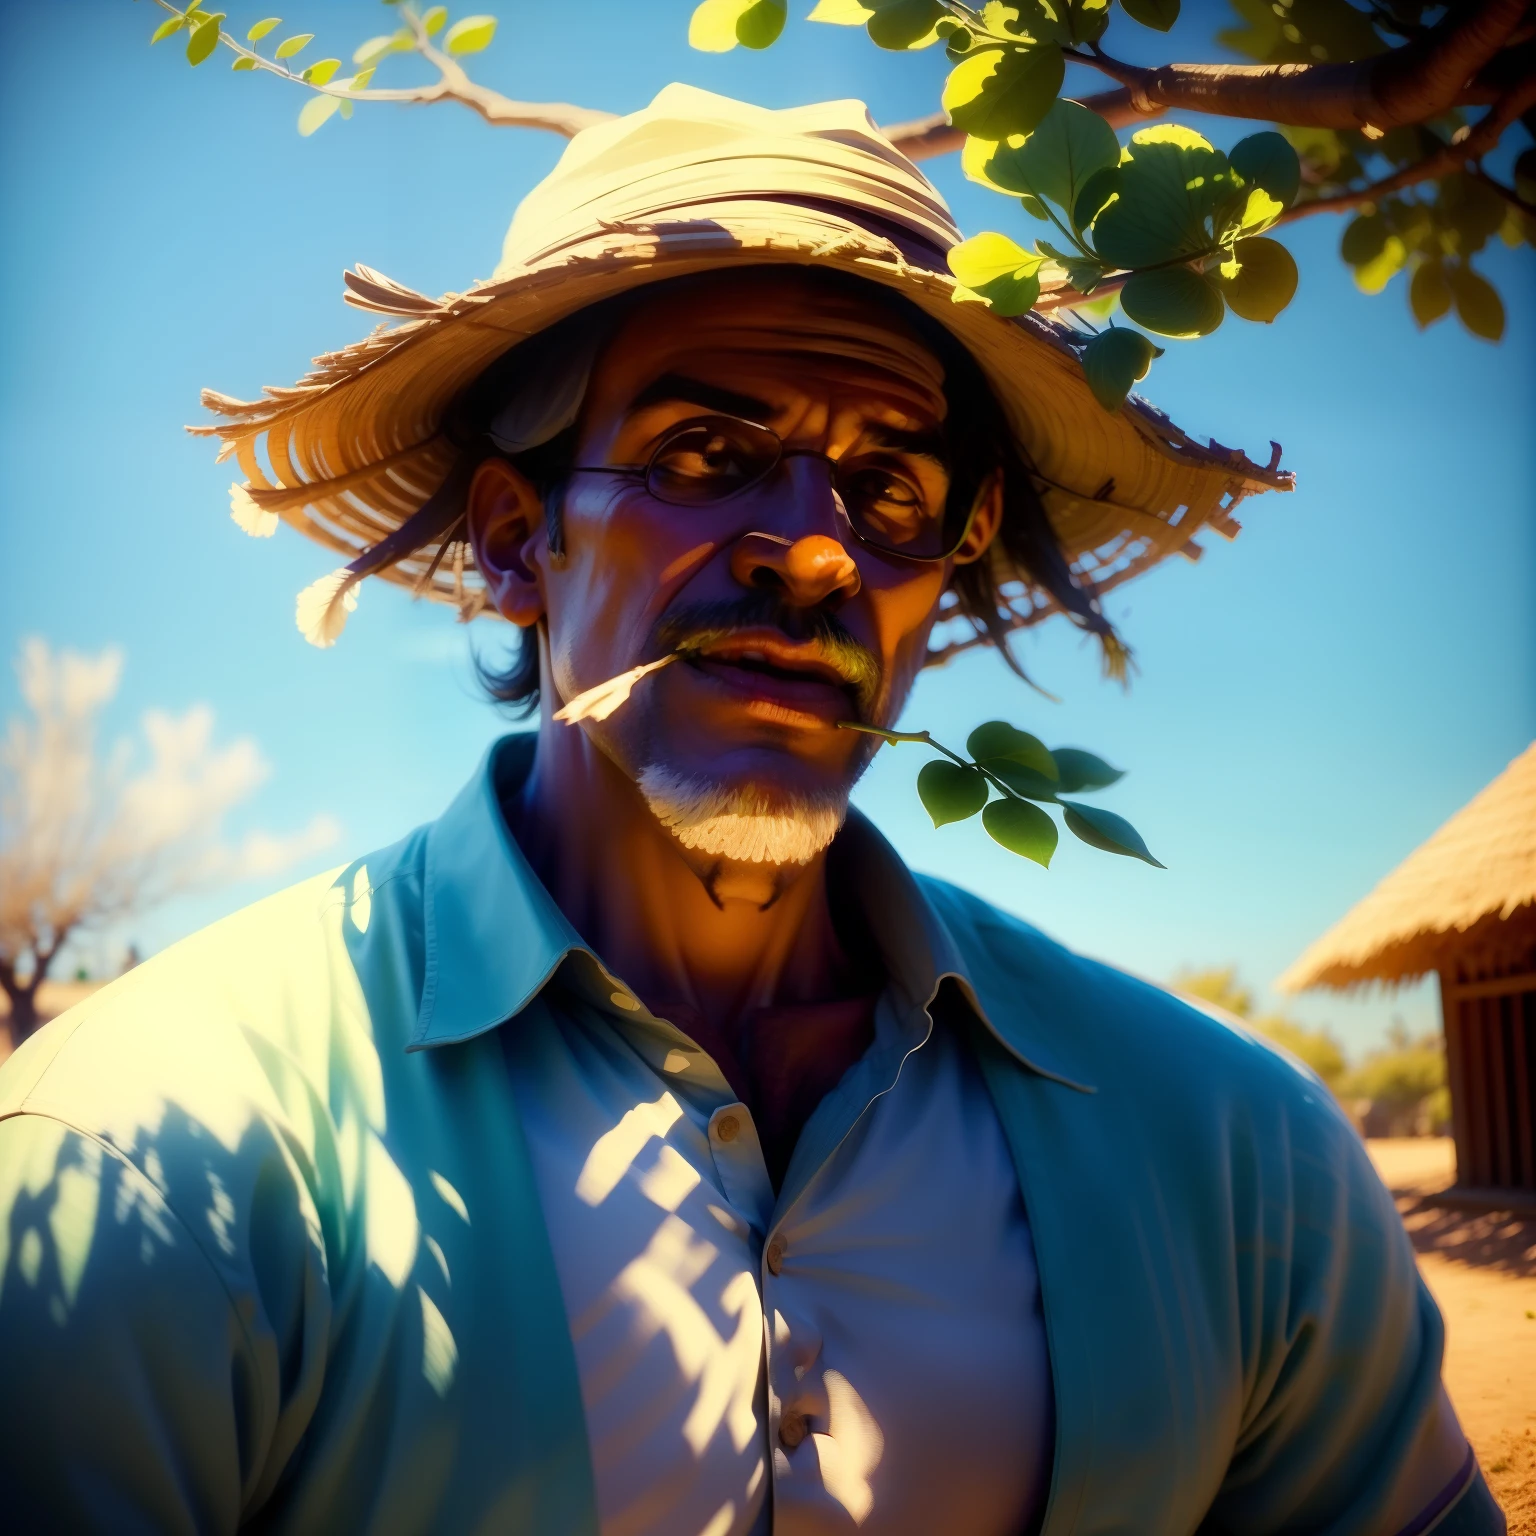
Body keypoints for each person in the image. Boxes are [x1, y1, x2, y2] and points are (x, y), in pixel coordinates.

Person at [0, 87, 1504, 1535]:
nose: (812, 553)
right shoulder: (159, 1159)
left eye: (890, 488)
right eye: (703, 457)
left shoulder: (1234, 1157)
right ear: (521, 544)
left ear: (944, 568)